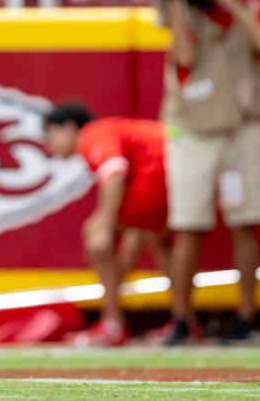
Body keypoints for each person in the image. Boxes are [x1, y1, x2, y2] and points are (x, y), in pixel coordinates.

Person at [159, 0, 260, 345]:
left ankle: (247, 319)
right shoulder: (182, 2)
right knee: (188, 224)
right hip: (192, 125)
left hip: (240, 123)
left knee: (246, 222)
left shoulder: (253, 1)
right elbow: (185, 55)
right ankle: (181, 319)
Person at [43, 103, 170, 347]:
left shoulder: (91, 135)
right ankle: (183, 319)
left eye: (51, 136)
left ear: (69, 127)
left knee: (96, 235)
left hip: (164, 169)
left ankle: (113, 322)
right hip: (175, 165)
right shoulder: (113, 130)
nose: (50, 146)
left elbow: (114, 171)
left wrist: (104, 224)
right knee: (152, 238)